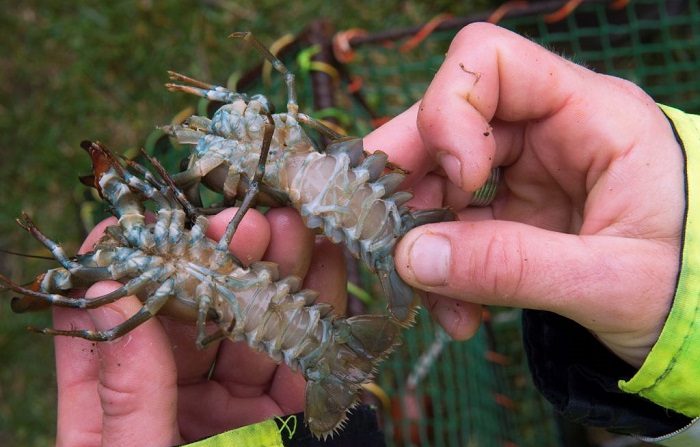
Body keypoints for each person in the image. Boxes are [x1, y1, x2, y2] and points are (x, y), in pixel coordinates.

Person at [54, 23, 698, 446]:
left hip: (308, 226)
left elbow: (245, 151)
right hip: (282, 266)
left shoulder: (257, 171)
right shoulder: (256, 169)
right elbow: (253, 141)